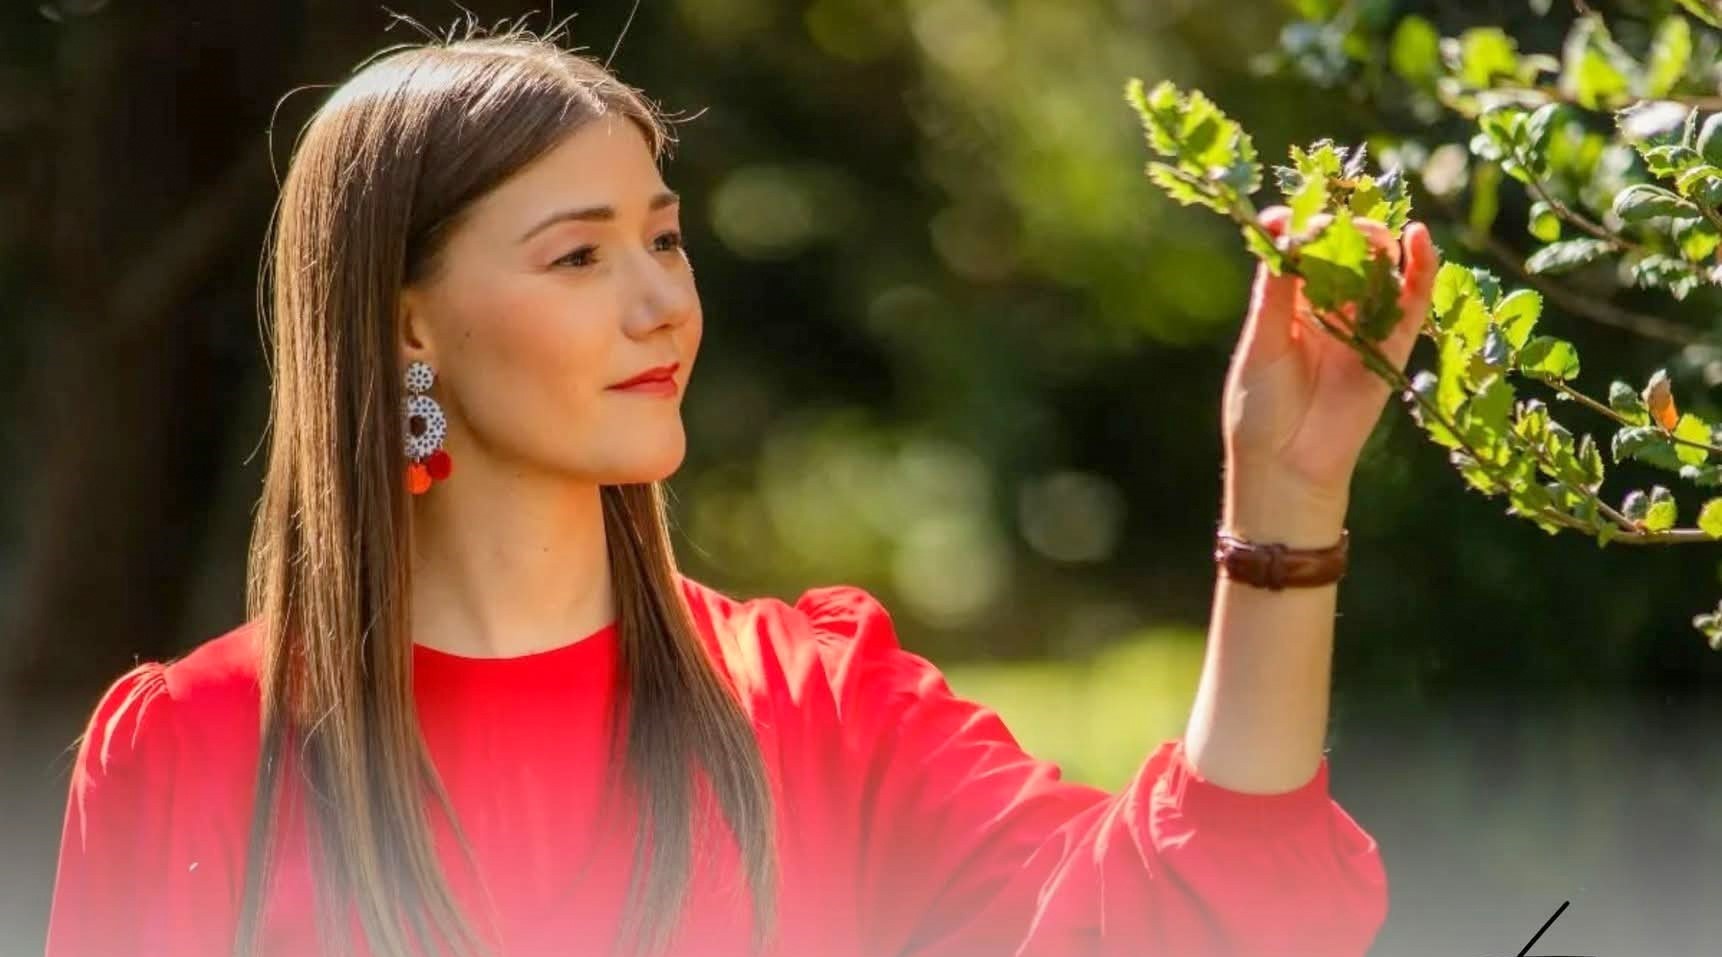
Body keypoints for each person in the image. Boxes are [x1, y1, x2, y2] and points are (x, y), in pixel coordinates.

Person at [42, 25, 1438, 957]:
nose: (663, 303)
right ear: (409, 324)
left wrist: (1282, 504)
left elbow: (1198, 909)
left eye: (664, 239)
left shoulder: (820, 705)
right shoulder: (186, 754)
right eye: (579, 256)